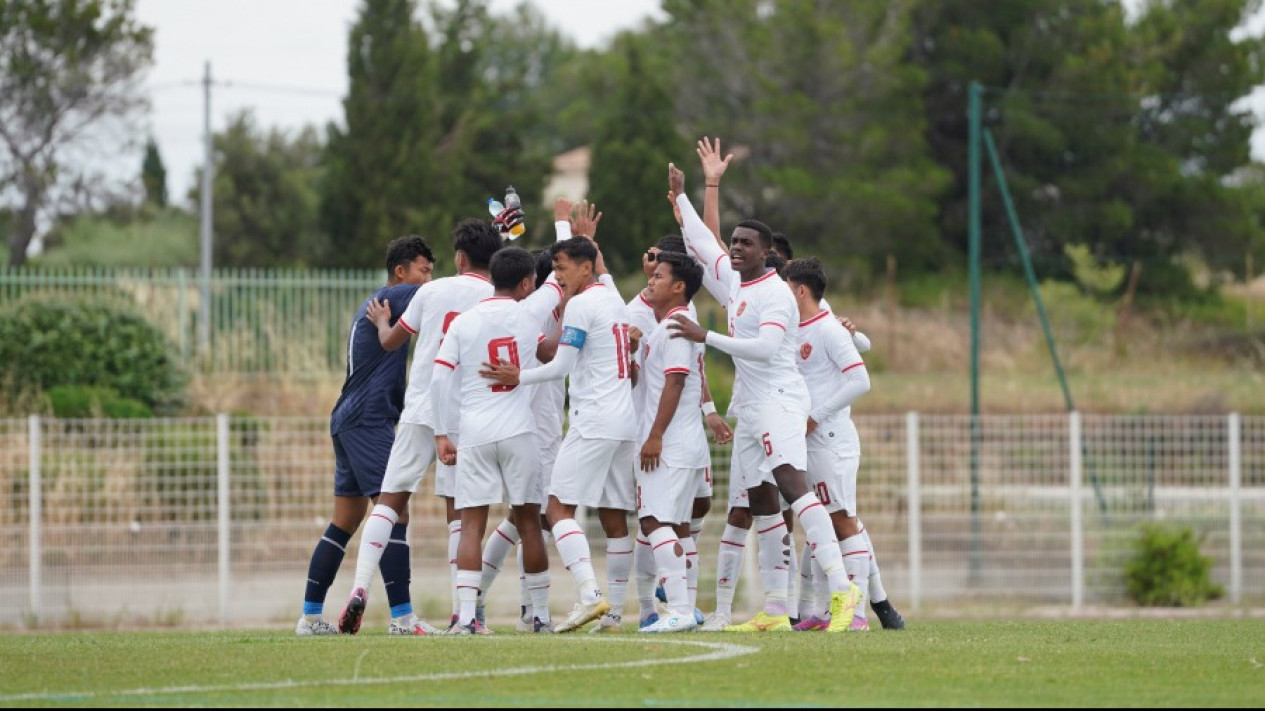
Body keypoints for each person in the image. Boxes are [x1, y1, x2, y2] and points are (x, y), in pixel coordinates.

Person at [668, 158, 863, 634]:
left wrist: (705, 336)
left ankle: (843, 589)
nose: (734, 249)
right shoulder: (736, 281)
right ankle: (776, 608)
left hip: (780, 400)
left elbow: (766, 348)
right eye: (733, 242)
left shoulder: (776, 294)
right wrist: (681, 195)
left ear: (764, 251)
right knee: (760, 501)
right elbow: (698, 239)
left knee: (794, 487)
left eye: (744, 244)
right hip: (752, 409)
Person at [336, 218, 505, 636]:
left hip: (422, 406)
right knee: (461, 515)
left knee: (390, 502)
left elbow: (392, 340)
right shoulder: (495, 297)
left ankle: (359, 588)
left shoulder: (431, 290)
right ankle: (462, 613)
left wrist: (379, 322)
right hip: (467, 413)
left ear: (459, 257)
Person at [481, 235, 638, 634]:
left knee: (555, 509)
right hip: (623, 421)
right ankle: (612, 615)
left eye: (563, 267)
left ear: (586, 268)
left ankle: (588, 595)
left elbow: (561, 364)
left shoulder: (583, 304)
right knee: (606, 515)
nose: (557, 275)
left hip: (595, 420)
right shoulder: (615, 301)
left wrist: (519, 377)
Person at [295, 235, 434, 636]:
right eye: (424, 270)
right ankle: (403, 618)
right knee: (395, 511)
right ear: (401, 272)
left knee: (346, 520)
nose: (429, 279)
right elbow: (444, 296)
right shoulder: (401, 295)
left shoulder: (382, 303)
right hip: (368, 419)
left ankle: (310, 617)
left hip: (349, 417)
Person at [430, 247, 558, 635]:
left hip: (475, 432)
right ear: (524, 283)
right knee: (530, 523)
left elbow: (439, 378)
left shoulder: (464, 322)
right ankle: (539, 616)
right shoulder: (527, 315)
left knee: (471, 525)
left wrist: (441, 434)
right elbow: (553, 348)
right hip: (519, 430)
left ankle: (466, 618)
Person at [627, 234, 732, 629]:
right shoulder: (668, 325)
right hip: (685, 440)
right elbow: (655, 381)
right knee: (677, 524)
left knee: (655, 523)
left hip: (670, 441)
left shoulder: (674, 325)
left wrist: (654, 435)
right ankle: (683, 606)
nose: (649, 281)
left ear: (678, 287)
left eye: (658, 276)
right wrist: (633, 354)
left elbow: (674, 382)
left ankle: (681, 611)